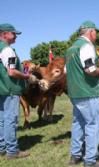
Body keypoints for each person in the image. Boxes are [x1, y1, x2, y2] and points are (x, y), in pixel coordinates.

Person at [65, 21, 99, 167]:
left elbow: (66, 71)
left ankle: (75, 156)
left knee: (78, 124)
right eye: (96, 32)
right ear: (90, 32)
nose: (96, 35)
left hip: (75, 93)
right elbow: (90, 69)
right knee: (93, 125)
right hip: (88, 92)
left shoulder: (70, 49)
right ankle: (90, 160)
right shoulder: (87, 46)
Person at [0, 23, 36, 159]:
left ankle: (2, 147)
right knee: (10, 120)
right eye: (13, 33)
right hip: (10, 89)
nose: (16, 36)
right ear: (4, 34)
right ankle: (12, 151)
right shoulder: (8, 50)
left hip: (1, 88)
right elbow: (12, 72)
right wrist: (27, 76)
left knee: (2, 120)